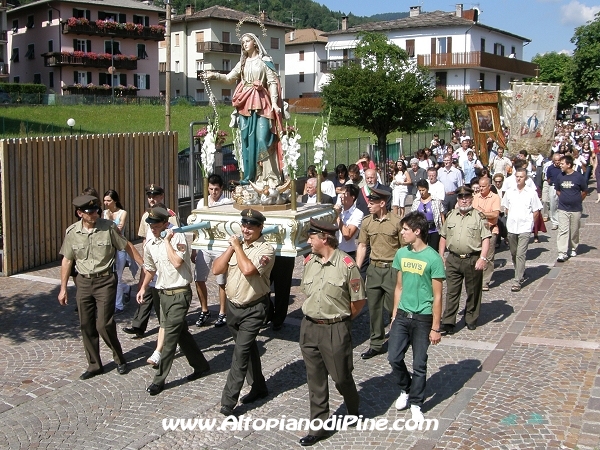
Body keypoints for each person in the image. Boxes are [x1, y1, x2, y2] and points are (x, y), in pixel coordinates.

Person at [58, 195, 143, 380]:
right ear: (80, 213)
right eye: (90, 212)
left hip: (105, 281)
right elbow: (67, 260)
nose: (95, 213)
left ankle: (119, 359)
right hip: (83, 282)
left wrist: (145, 265)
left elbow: (126, 245)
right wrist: (63, 288)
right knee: (86, 324)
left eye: (96, 210)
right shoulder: (72, 232)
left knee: (104, 324)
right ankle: (95, 365)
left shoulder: (108, 227)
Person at [298, 219, 366, 446]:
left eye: (312, 237)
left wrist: (341, 321)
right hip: (309, 328)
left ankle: (353, 407)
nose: (309, 241)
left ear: (324, 239)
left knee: (341, 376)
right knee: (315, 380)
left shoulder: (347, 265)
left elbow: (358, 302)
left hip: (335, 328)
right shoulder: (310, 261)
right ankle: (317, 427)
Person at [137, 207, 211, 395]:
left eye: (155, 225)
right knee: (180, 334)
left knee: (169, 337)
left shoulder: (177, 237)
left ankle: (158, 380)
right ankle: (201, 365)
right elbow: (150, 268)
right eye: (150, 225)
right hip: (162, 294)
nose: (152, 228)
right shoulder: (151, 242)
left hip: (179, 294)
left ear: (165, 223)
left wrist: (167, 241)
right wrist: (143, 287)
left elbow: (177, 262)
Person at [213, 209, 275, 416]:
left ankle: (228, 402)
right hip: (233, 308)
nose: (246, 230)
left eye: (251, 226)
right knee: (248, 350)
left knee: (239, 355)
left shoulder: (266, 249)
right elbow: (217, 269)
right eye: (244, 225)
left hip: (254, 309)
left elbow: (249, 270)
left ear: (260, 228)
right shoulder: (236, 247)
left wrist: (238, 248)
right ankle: (259, 387)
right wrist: (231, 249)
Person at [388, 212, 445, 425]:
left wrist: (436, 327)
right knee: (394, 357)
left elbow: (438, 295)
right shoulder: (401, 254)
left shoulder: (433, 258)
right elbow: (399, 287)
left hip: (423, 318)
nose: (402, 233)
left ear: (417, 231)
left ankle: (416, 403)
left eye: (405, 230)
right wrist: (394, 315)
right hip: (403, 314)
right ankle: (406, 388)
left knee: (419, 363)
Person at [206, 33, 284, 184]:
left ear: (255, 43)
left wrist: (274, 103)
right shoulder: (242, 62)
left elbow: (273, 82)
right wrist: (213, 75)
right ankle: (250, 177)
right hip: (245, 102)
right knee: (247, 141)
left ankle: (269, 177)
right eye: (243, 43)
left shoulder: (265, 61)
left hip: (262, 102)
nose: (245, 44)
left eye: (247, 41)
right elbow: (229, 78)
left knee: (263, 138)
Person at [123, 184, 179, 339]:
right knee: (145, 290)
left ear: (162, 196)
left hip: (164, 261)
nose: (151, 199)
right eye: (149, 196)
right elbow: (144, 238)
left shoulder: (170, 215)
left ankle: (169, 328)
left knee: (160, 296)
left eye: (155, 196)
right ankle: (138, 326)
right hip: (150, 260)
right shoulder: (145, 215)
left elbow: (175, 237)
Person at [356, 188, 403, 359]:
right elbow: (362, 246)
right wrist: (356, 269)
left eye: (372, 202)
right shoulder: (367, 222)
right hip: (374, 269)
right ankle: (376, 343)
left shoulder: (397, 222)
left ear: (382, 203)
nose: (368, 205)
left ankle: (399, 337)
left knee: (393, 307)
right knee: (374, 309)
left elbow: (404, 249)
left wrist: (403, 272)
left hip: (392, 269)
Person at [439, 186, 491, 333]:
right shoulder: (451, 215)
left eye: (466, 197)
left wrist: (483, 258)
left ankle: (471, 318)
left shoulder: (478, 216)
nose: (464, 200)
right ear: (457, 199)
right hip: (453, 259)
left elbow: (486, 238)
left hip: (472, 258)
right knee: (451, 291)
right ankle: (448, 321)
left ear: (471, 198)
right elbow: (443, 236)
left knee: (473, 291)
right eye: (461, 197)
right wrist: (441, 255)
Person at [192, 174, 233, 328]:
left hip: (220, 247)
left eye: (216, 189)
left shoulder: (227, 202)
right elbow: (196, 226)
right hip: (204, 245)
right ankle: (204, 309)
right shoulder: (202, 202)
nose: (213, 192)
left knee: (221, 281)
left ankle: (223, 312)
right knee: (199, 278)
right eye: (211, 189)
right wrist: (194, 248)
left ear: (221, 189)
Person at [501, 168, 542, 291]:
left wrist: (530, 225)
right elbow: (506, 208)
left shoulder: (531, 193)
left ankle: (517, 280)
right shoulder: (510, 192)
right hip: (512, 227)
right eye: (517, 176)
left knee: (520, 253)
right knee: (514, 253)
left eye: (521, 177)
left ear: (526, 178)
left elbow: (536, 211)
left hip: (525, 227)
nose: (519, 179)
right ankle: (520, 271)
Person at [102, 189, 136, 315]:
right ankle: (126, 288)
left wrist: (111, 220)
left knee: (118, 276)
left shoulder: (123, 213)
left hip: (120, 248)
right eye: (104, 200)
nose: (106, 203)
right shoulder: (104, 213)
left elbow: (119, 231)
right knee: (112, 275)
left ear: (114, 201)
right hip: (109, 249)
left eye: (108, 200)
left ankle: (118, 305)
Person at [556, 154, 587, 262]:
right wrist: (565, 198)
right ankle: (562, 252)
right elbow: (558, 190)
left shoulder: (578, 177)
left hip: (576, 208)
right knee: (563, 230)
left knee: (574, 230)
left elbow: (584, 191)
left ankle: (573, 247)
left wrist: (577, 199)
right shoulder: (560, 176)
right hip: (563, 208)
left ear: (569, 165)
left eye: (562, 163)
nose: (560, 165)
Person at [472, 177, 501, 291]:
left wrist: (482, 213)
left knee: (488, 256)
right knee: (476, 254)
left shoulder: (495, 198)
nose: (481, 188)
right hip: (476, 230)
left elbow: (495, 214)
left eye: (483, 186)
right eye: (480, 186)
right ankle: (476, 277)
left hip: (490, 229)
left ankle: (485, 281)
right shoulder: (475, 197)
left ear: (489, 186)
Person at [410, 179, 445, 251]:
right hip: (421, 230)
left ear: (427, 189)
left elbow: (441, 215)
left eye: (423, 190)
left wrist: (444, 229)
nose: (422, 192)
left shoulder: (436, 200)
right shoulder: (416, 202)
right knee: (421, 250)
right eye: (420, 190)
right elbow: (412, 217)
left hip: (434, 230)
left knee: (433, 250)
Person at [334, 184, 364, 261]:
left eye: (344, 194)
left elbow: (347, 235)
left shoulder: (358, 213)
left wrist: (337, 216)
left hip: (347, 253)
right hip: (334, 251)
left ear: (352, 197)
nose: (341, 196)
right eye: (340, 194)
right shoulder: (338, 211)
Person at [545, 153, 562, 231]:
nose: (558, 162)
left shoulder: (562, 168)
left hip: (562, 187)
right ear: (553, 161)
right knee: (553, 205)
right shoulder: (550, 168)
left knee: (561, 205)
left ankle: (561, 222)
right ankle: (555, 222)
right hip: (553, 186)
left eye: (559, 160)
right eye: (556, 160)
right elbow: (548, 178)